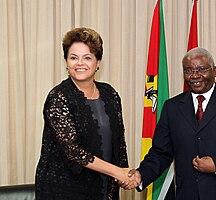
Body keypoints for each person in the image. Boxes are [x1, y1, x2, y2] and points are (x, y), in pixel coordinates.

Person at [125, 47, 216, 200]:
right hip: (186, 194)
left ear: (214, 71)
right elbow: (161, 152)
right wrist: (141, 175)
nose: (195, 76)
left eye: (202, 69)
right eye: (188, 70)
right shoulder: (172, 107)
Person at [35, 27, 139, 200]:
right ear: (66, 62)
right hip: (64, 190)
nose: (80, 63)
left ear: (98, 62)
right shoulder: (58, 97)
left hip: (105, 187)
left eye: (87, 57)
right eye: (73, 57)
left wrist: (125, 175)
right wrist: (118, 172)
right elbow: (73, 152)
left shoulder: (110, 94)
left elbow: (118, 142)